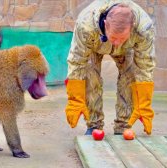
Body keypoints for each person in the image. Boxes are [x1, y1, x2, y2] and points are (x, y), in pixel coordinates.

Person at [65, 0, 155, 135]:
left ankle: (123, 125)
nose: (117, 43)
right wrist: (75, 99)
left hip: (127, 48)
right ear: (106, 24)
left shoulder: (144, 28)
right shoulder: (85, 25)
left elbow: (145, 65)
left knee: (130, 77)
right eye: (114, 37)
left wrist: (144, 103)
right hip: (94, 44)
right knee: (89, 74)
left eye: (121, 38)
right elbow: (77, 62)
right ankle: (94, 125)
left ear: (132, 27)